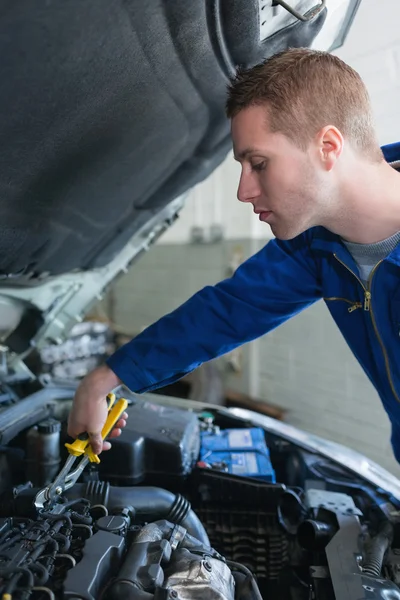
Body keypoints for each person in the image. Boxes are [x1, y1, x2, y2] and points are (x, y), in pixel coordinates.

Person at [68, 47, 400, 463]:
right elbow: (226, 311)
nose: (244, 191)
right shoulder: (318, 245)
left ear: (328, 147)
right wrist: (103, 379)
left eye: (258, 163)